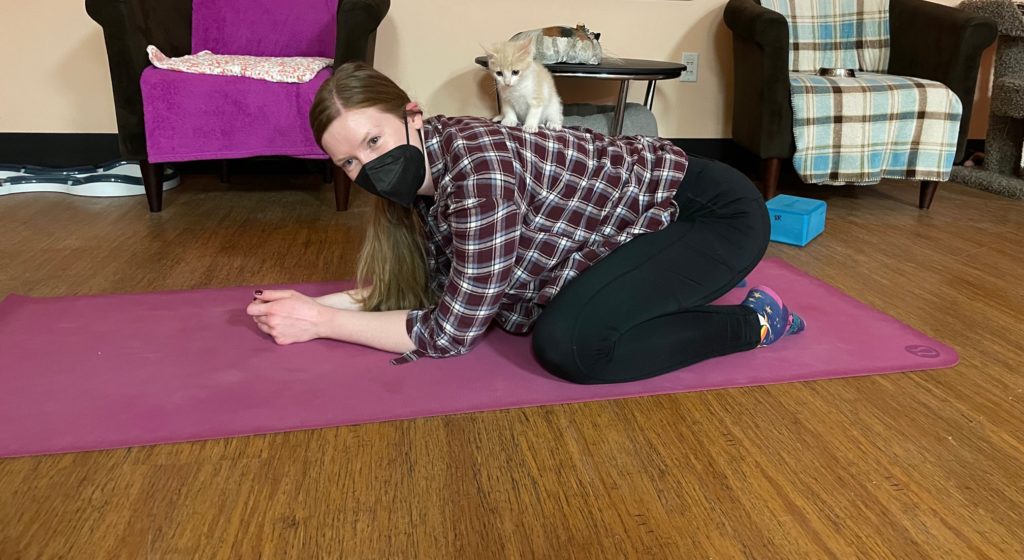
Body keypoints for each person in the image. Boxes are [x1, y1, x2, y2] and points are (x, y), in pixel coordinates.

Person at [246, 62, 804, 384]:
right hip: (641, 225)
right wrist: (317, 304)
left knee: (573, 347)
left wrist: (321, 322)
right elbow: (442, 292)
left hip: (709, 213)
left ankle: (756, 322)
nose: (368, 167)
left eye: (374, 141)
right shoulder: (418, 177)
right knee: (566, 319)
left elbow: (451, 332)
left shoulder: (476, 164)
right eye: (349, 161)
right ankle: (681, 282)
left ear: (412, 114)